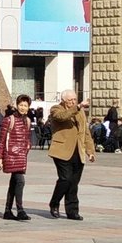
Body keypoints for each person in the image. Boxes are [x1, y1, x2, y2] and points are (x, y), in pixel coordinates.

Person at [45, 88, 93, 220]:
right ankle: (54, 203)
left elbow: (85, 132)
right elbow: (62, 117)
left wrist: (90, 151)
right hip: (62, 151)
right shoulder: (56, 109)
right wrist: (77, 107)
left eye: (74, 100)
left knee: (74, 183)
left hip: (78, 151)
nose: (73, 102)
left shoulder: (80, 112)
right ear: (64, 101)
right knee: (65, 179)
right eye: (70, 100)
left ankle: (72, 211)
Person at [0, 94, 33, 221]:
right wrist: (0, 158)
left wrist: (28, 147)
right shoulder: (9, 120)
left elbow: (27, 138)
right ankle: (20, 210)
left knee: (14, 183)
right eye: (21, 105)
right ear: (17, 106)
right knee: (20, 181)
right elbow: (1, 140)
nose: (23, 108)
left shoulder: (27, 121)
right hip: (11, 156)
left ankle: (7, 210)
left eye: (25, 106)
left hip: (22, 156)